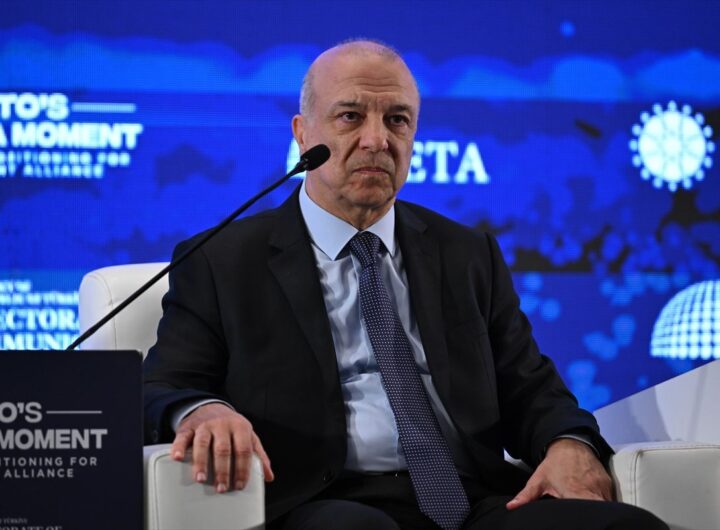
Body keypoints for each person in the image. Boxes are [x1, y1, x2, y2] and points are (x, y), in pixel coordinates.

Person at [143, 39, 668, 530]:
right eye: (350, 117)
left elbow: (530, 387)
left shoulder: (467, 253)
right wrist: (204, 410)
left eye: (397, 120)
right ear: (303, 133)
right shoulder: (222, 259)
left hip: (472, 501)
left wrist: (569, 442)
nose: (377, 140)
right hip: (322, 500)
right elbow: (160, 386)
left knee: (627, 526)